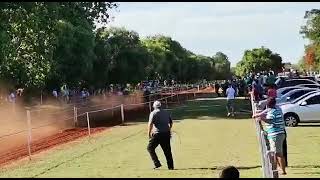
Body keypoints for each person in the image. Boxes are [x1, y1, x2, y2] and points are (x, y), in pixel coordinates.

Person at [252, 97, 287, 175]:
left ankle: (281, 170)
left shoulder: (273, 112)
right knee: (275, 153)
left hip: (276, 135)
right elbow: (264, 112)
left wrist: (261, 118)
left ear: (267, 104)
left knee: (278, 153)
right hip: (277, 134)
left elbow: (271, 121)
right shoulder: (274, 109)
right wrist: (258, 115)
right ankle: (278, 168)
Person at [147, 101, 174, 170]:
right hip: (166, 133)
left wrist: (149, 133)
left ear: (154, 106)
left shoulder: (153, 113)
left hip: (157, 134)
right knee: (167, 151)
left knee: (150, 148)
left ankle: (157, 163)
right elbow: (171, 123)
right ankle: (171, 167)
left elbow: (150, 124)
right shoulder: (166, 112)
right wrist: (169, 130)